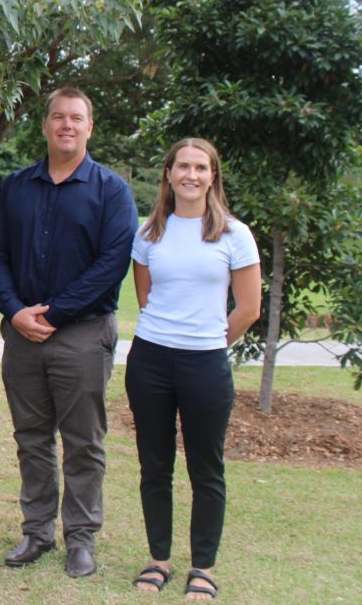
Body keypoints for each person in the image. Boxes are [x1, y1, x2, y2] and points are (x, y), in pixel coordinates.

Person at [0, 86, 138, 578]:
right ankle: (36, 532)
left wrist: (54, 313)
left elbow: (112, 263)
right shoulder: (16, 186)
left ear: (89, 127)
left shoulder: (111, 190)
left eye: (76, 118)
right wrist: (13, 312)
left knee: (83, 440)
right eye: (57, 117)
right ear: (45, 125)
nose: (66, 125)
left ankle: (81, 538)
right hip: (22, 333)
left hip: (82, 334)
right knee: (31, 437)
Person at [126, 138, 261, 601]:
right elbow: (146, 298)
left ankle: (202, 566)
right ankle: (158, 559)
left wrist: (207, 341)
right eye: (182, 166)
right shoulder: (148, 234)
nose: (191, 174)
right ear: (168, 174)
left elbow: (248, 308)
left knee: (206, 469)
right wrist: (172, 338)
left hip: (205, 363)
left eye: (200, 167)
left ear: (212, 176)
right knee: (154, 466)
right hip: (150, 361)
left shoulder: (234, 235)